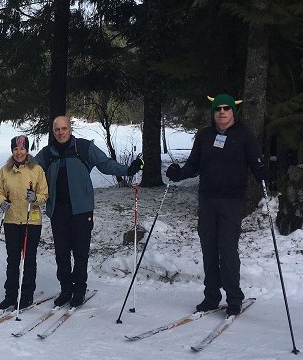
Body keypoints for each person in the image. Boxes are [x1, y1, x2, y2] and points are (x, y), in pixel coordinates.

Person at [165, 94, 268, 316]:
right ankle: (212, 297)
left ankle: (234, 299)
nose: (222, 112)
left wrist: (261, 170)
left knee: (227, 250)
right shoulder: (204, 136)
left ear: (233, 112)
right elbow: (193, 165)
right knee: (209, 249)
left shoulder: (244, 134)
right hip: (208, 201)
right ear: (213, 113)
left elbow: (256, 160)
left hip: (231, 202)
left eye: (226, 108)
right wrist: (178, 174)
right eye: (218, 109)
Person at [36, 115, 144, 307]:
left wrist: (128, 170)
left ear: (70, 129)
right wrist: (6, 174)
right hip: (58, 210)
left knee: (80, 251)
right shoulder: (48, 153)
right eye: (57, 130)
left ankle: (79, 290)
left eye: (64, 129)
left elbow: (105, 163)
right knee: (61, 253)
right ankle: (66, 289)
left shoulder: (83, 148)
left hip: (81, 210)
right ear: (53, 132)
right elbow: (30, 170)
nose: (61, 133)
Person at [0, 135, 49, 311]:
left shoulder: (37, 169)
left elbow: (44, 194)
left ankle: (26, 295)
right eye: (16, 149)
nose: (19, 152)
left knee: (29, 259)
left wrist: (36, 198)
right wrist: (1, 202)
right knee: (13, 260)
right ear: (12, 151)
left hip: (31, 221)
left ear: (27, 150)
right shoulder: (5, 170)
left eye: (22, 149)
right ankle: (10, 295)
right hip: (11, 220)